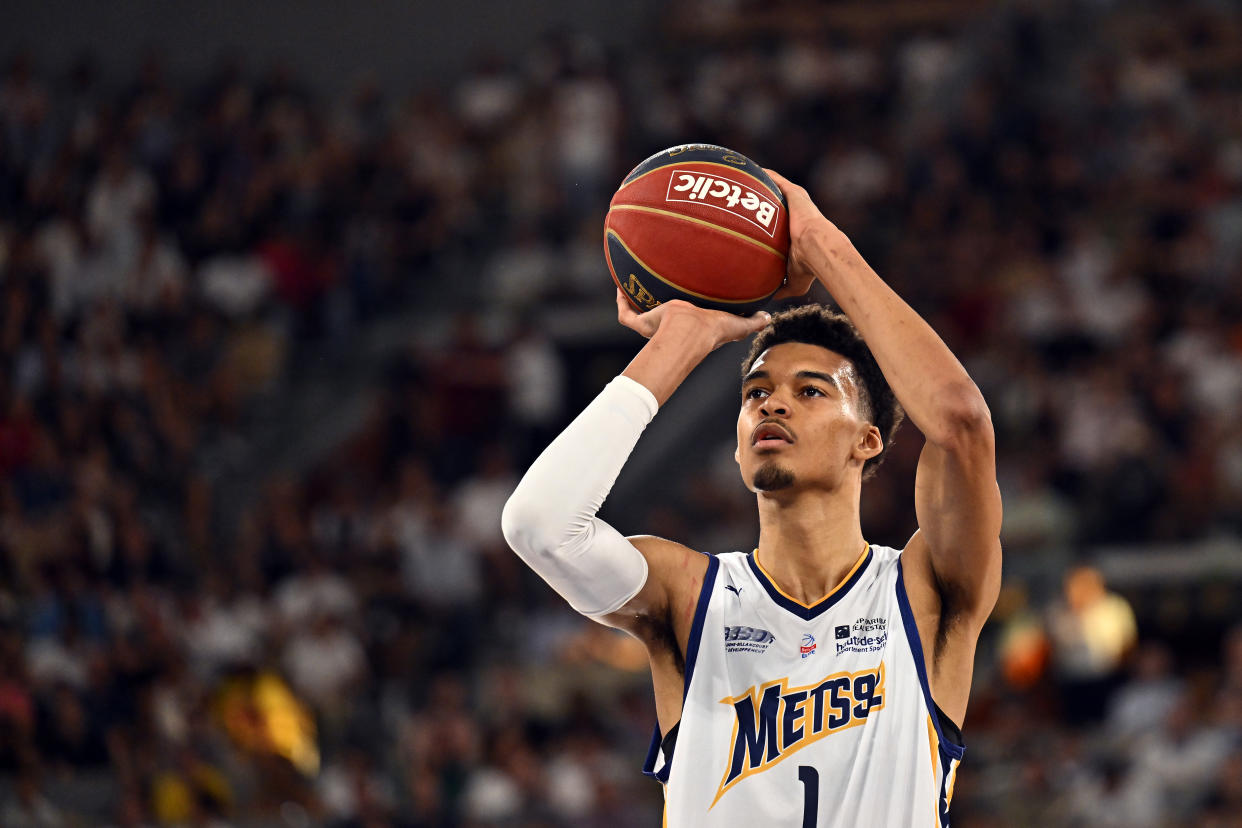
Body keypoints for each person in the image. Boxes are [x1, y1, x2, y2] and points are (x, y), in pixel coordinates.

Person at [502, 170, 1002, 826]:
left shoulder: (923, 589)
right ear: (737, 448)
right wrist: (681, 339)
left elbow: (961, 423)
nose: (773, 401)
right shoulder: (686, 596)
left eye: (812, 390)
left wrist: (820, 242)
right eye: (756, 391)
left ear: (869, 441)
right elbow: (539, 526)